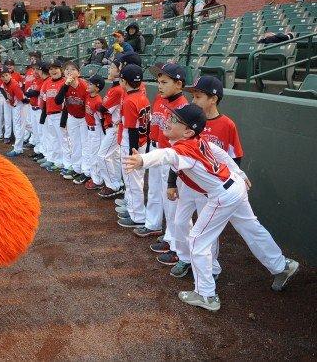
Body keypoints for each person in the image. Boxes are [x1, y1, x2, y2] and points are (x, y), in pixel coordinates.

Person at [123, 103, 299, 312]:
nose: (168, 122)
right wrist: (241, 175)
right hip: (234, 185)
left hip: (223, 195)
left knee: (197, 239)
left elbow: (166, 156)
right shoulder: (198, 140)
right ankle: (281, 265)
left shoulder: (184, 149)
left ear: (188, 131)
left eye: (175, 120)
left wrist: (143, 159)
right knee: (251, 227)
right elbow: (223, 156)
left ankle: (206, 295)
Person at [169, 76, 244, 280]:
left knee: (207, 231)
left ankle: (212, 266)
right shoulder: (188, 120)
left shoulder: (227, 124)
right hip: (186, 183)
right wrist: (171, 182)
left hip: (209, 187)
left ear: (213, 98)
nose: (193, 100)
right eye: (192, 95)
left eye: (198, 96)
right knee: (180, 222)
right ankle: (185, 257)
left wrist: (234, 178)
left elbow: (233, 157)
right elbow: (176, 155)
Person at [136, 64, 188, 258]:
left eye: (164, 82)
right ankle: (153, 224)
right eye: (158, 82)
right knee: (155, 189)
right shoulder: (159, 98)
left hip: (171, 154)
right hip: (156, 147)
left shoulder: (183, 106)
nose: (159, 86)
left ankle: (174, 241)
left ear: (179, 84)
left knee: (171, 199)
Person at [115, 64, 151, 229]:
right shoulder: (143, 96)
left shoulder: (129, 100)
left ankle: (137, 216)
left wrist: (132, 153)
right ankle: (133, 210)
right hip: (142, 143)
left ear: (123, 81)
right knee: (136, 181)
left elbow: (132, 130)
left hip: (132, 144)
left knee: (132, 182)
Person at [90, 56, 129, 197]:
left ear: (119, 71)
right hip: (113, 126)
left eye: (112, 67)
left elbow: (103, 108)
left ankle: (112, 185)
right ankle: (118, 183)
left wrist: (97, 105)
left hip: (114, 127)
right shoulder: (115, 87)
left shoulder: (118, 89)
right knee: (114, 157)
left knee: (103, 156)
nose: (109, 69)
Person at [54, 61, 88, 180]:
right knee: (75, 144)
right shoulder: (64, 85)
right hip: (72, 117)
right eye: (67, 69)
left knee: (85, 144)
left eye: (73, 69)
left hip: (84, 119)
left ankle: (86, 171)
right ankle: (76, 168)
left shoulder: (84, 86)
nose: (69, 71)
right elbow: (57, 101)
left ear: (78, 73)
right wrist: (65, 86)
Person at [75, 75, 106, 186]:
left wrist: (104, 134)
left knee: (95, 155)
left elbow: (102, 120)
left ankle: (97, 180)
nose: (88, 85)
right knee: (89, 152)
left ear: (97, 88)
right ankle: (94, 176)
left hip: (97, 130)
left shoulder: (98, 101)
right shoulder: (88, 96)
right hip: (89, 129)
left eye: (91, 84)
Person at [39, 61, 67, 172]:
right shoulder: (47, 82)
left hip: (61, 114)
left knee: (62, 140)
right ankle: (54, 159)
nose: (53, 71)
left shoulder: (64, 82)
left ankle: (63, 162)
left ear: (61, 70)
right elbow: (45, 100)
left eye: (56, 68)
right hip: (50, 114)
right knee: (53, 139)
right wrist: (44, 115)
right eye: (51, 69)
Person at [0, 66, 28, 157]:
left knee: (18, 127)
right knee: (28, 126)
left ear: (10, 75)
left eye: (6, 75)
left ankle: (18, 149)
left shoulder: (14, 84)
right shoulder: (4, 84)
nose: (5, 77)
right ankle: (39, 142)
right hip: (16, 106)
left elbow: (22, 99)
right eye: (2, 76)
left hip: (21, 106)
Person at [26, 60, 49, 163]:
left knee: (42, 132)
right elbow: (30, 93)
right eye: (33, 69)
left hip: (40, 109)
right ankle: (39, 150)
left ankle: (43, 152)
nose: (35, 71)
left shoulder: (44, 80)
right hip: (33, 108)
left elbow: (35, 92)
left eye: (37, 69)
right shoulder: (34, 80)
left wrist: (31, 93)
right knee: (36, 132)